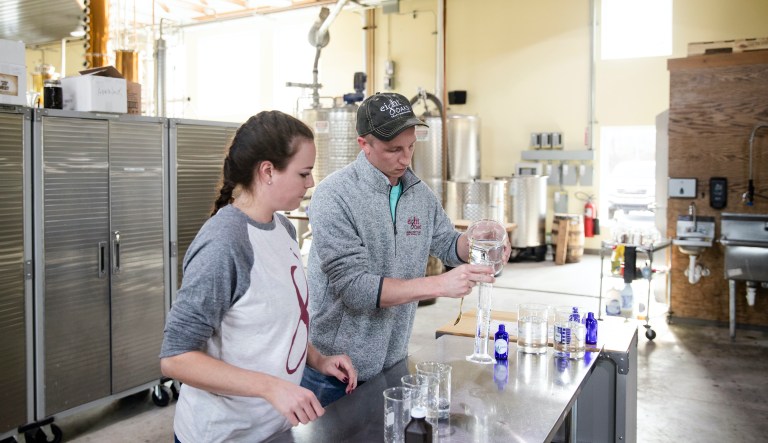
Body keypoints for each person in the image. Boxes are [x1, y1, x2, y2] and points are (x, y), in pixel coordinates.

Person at [301, 92, 511, 406]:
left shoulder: (419, 195)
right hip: (335, 371)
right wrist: (439, 284)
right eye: (393, 149)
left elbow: (448, 245)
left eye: (411, 146)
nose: (405, 159)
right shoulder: (334, 196)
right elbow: (356, 288)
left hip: (392, 364)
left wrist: (476, 239)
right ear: (364, 145)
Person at [160, 110, 357, 443]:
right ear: (268, 171)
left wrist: (317, 360)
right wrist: (271, 388)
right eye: (304, 173)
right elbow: (176, 358)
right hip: (224, 435)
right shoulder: (225, 243)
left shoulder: (282, 228)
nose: (310, 184)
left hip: (273, 429)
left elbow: (275, 323)